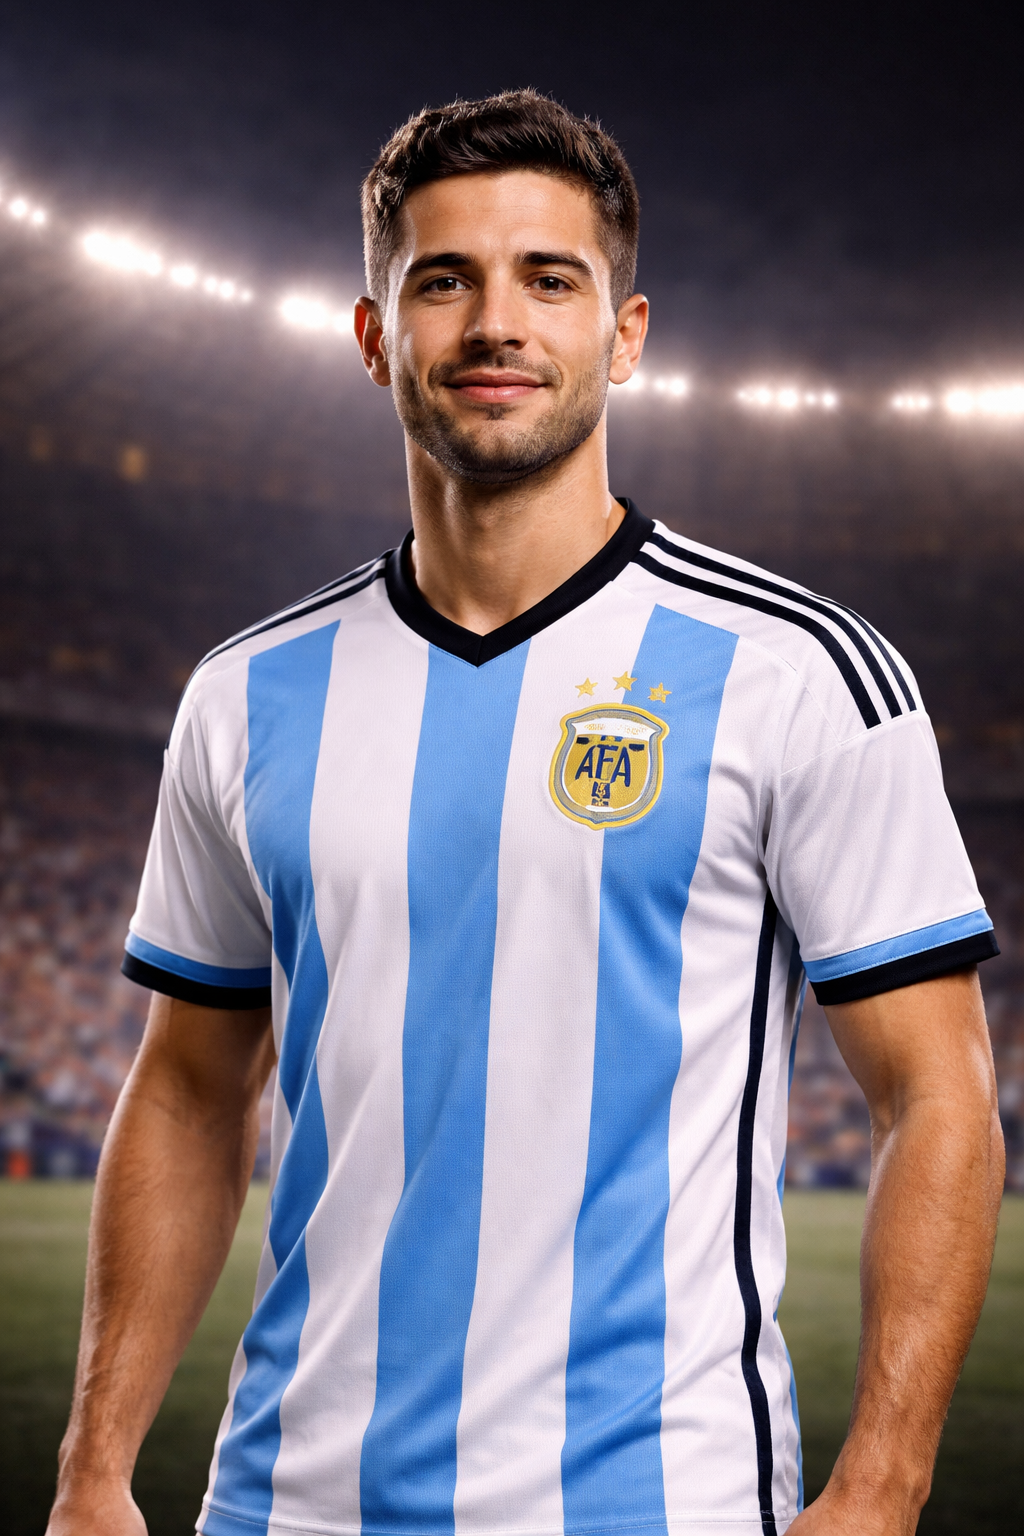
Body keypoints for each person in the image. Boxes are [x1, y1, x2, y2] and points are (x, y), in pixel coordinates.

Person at [47, 90, 1004, 1536]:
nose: (498, 323)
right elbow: (187, 1091)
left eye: (550, 279)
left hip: (656, 1504)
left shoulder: (798, 675)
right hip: (286, 1506)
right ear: (376, 339)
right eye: (444, 280)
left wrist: (881, 1489)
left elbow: (936, 1094)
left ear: (624, 333)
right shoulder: (244, 696)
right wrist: (92, 1471)